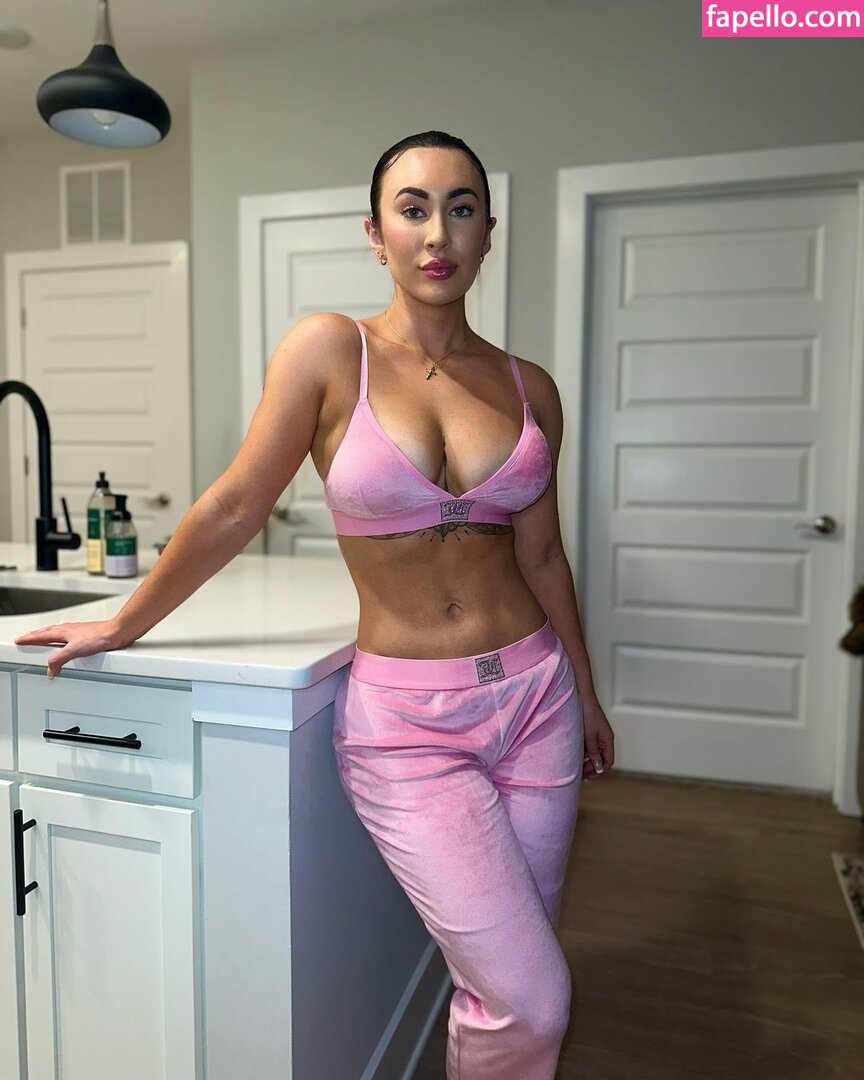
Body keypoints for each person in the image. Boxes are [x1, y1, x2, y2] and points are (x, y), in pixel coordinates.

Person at [15, 130, 614, 1080]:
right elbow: (235, 504)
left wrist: (582, 688)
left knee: (511, 979)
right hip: (408, 730)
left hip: (535, 699)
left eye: (461, 208)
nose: (437, 233)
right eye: (412, 209)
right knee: (532, 997)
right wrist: (126, 620)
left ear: (488, 233)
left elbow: (542, 554)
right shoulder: (332, 350)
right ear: (375, 233)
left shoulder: (527, 386)